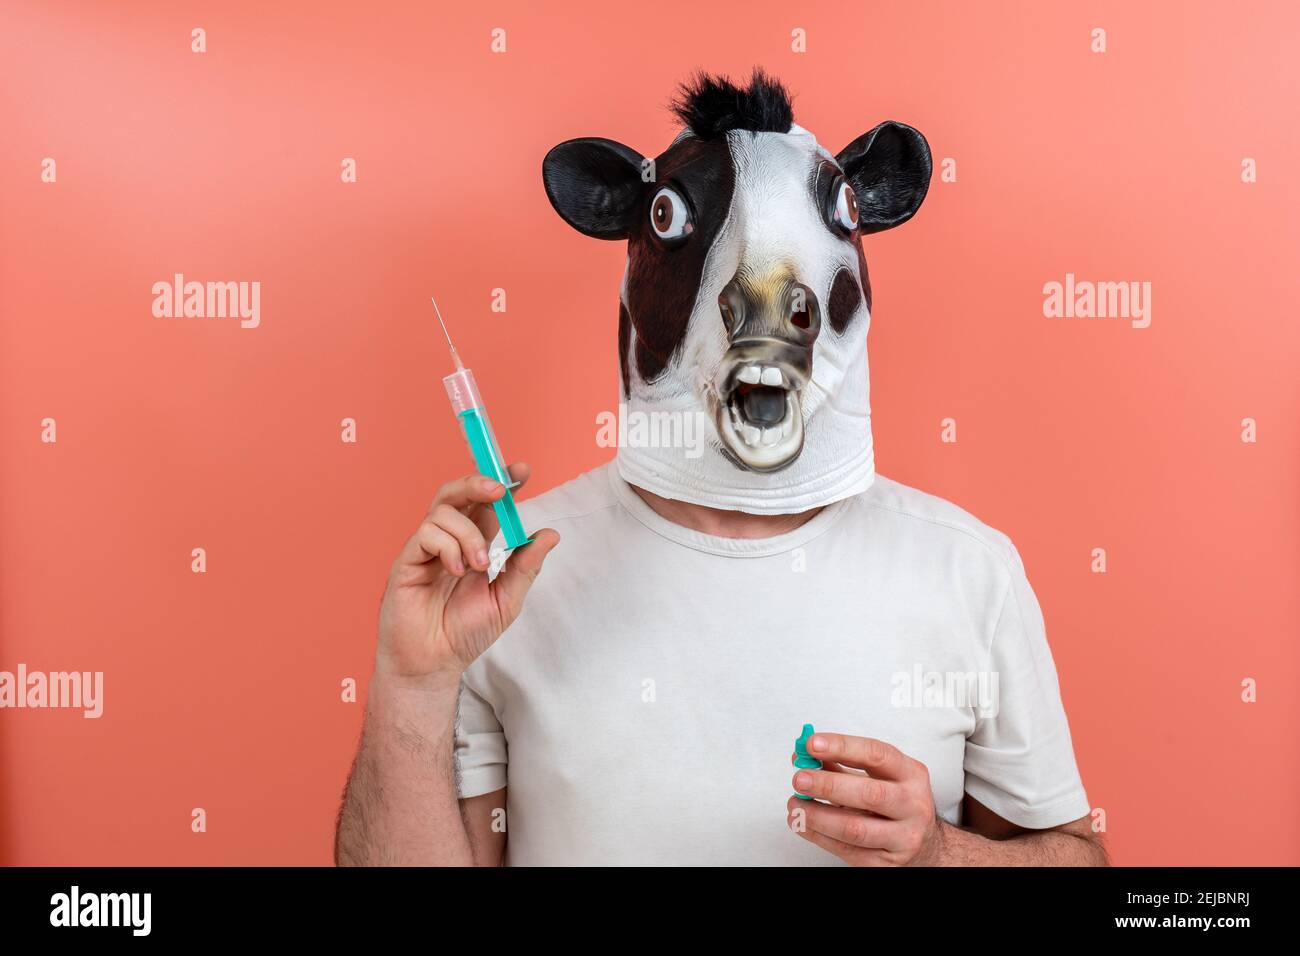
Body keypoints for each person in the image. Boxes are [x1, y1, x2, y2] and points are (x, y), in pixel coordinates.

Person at [335, 71, 1106, 866]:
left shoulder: (969, 571)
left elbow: (1076, 858)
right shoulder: (504, 580)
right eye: (669, 216)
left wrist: (940, 854)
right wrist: (413, 684)